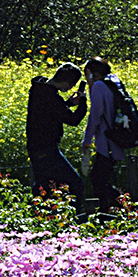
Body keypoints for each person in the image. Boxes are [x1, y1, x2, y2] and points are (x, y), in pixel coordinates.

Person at [26, 62, 87, 209]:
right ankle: (75, 216)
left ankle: (41, 216)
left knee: (44, 188)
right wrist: (83, 102)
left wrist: (68, 103)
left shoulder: (39, 89)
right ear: (66, 84)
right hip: (46, 149)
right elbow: (73, 120)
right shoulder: (51, 97)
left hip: (36, 148)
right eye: (72, 85)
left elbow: (51, 113)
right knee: (75, 183)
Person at [81, 57, 124, 214]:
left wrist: (87, 140)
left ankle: (120, 208)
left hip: (106, 143)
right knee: (104, 178)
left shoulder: (99, 86)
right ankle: (114, 210)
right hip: (118, 139)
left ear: (91, 73)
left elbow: (95, 115)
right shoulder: (114, 81)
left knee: (97, 180)